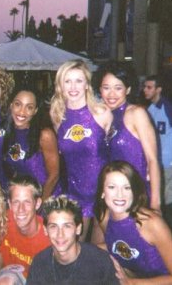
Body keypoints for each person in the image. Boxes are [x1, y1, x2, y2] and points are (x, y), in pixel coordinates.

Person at [49, 59, 113, 241]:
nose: (73, 86)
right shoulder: (57, 116)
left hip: (103, 195)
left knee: (103, 253)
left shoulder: (102, 113)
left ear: (87, 84)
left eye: (78, 80)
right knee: (77, 248)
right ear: (60, 85)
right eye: (67, 81)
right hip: (76, 195)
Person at [96, 61, 161, 212]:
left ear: (128, 89)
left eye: (118, 88)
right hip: (113, 196)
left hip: (137, 195)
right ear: (100, 89)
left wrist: (156, 204)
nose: (111, 94)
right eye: (106, 88)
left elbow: (152, 160)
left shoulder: (136, 113)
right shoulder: (102, 116)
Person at [95, 161, 172, 284]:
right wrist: (81, 248)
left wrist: (132, 282)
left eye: (127, 187)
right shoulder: (104, 217)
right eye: (112, 187)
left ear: (134, 192)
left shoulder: (151, 223)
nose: (120, 194)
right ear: (102, 192)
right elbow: (116, 245)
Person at [26, 195, 119, 285]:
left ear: (78, 229)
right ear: (45, 230)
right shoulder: (39, 263)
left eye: (67, 226)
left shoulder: (100, 262)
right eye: (53, 227)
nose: (60, 234)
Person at [0, 175, 51, 282]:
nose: (21, 209)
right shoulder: (4, 221)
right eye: (16, 202)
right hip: (8, 275)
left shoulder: (49, 237)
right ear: (10, 204)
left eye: (27, 202)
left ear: (37, 204)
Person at [2, 85, 59, 200]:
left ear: (35, 111)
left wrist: (40, 204)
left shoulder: (44, 135)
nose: (22, 112)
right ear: (11, 105)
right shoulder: (5, 133)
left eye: (29, 107)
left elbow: (54, 175)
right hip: (24, 198)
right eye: (18, 104)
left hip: (47, 198)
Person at [143, 75, 172, 230]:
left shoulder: (167, 107)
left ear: (158, 89)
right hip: (156, 162)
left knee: (167, 201)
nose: (145, 90)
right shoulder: (150, 109)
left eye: (149, 87)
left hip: (169, 162)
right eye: (145, 87)